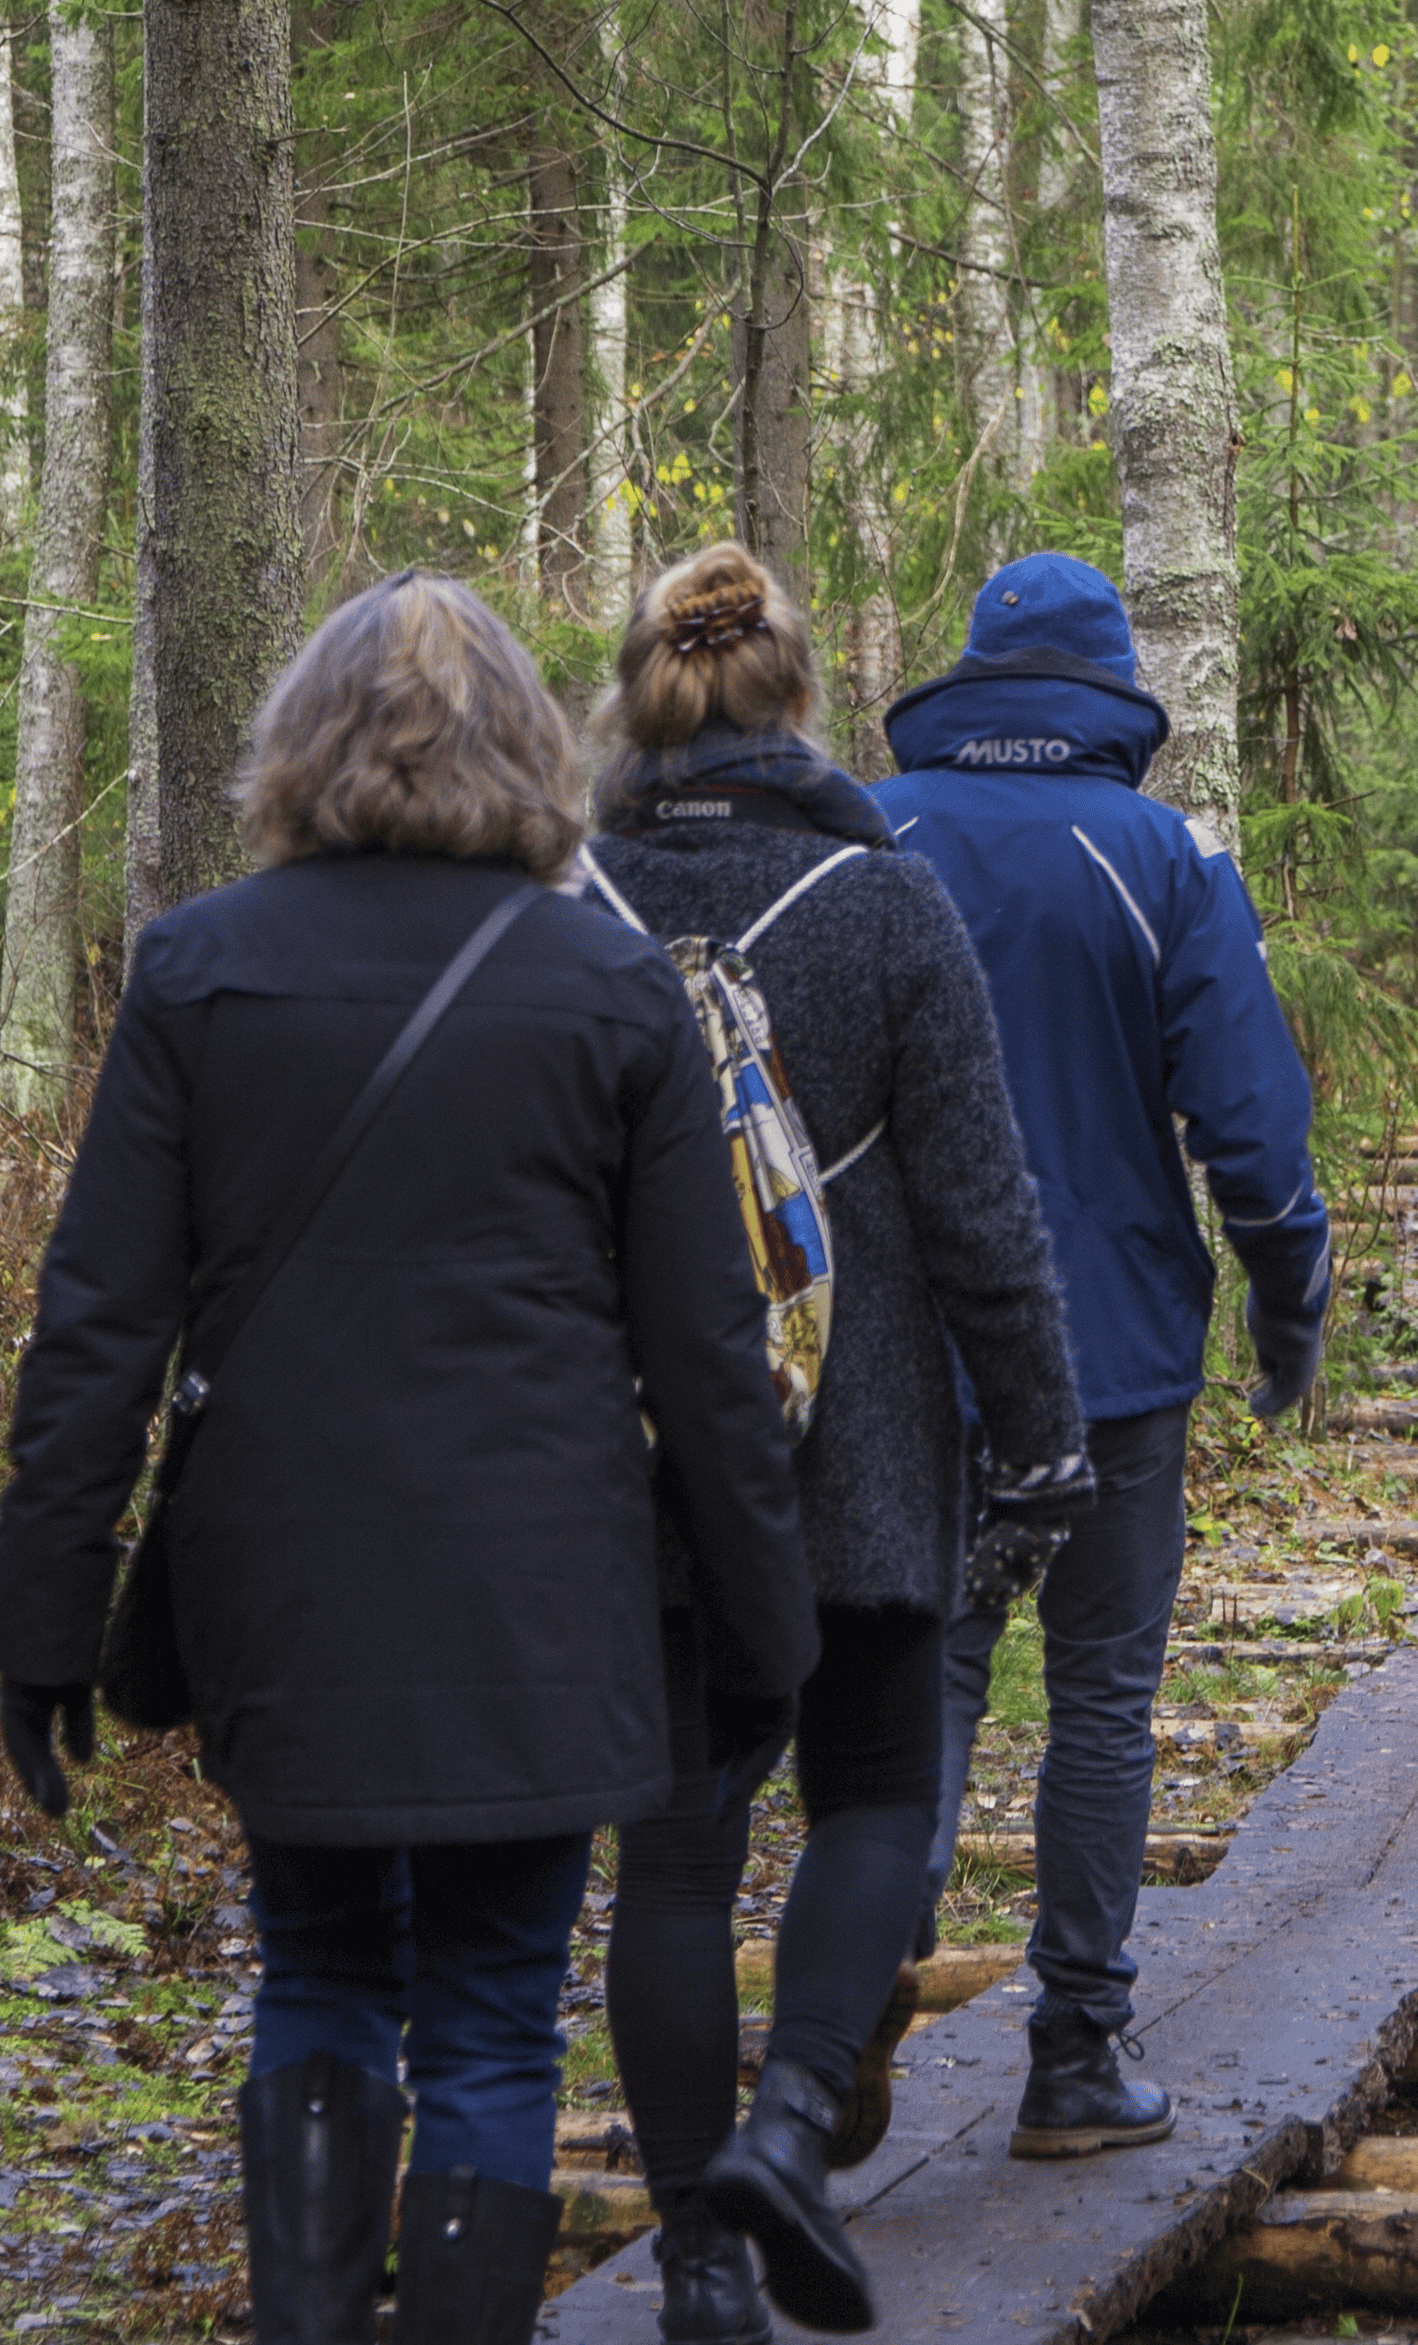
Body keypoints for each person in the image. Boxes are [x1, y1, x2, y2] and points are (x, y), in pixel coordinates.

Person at [0, 572, 815, 2345]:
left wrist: (39, 1623)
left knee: (324, 1969)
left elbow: (100, 1327)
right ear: (528, 748)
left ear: (300, 749)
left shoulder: (204, 966)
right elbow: (709, 1355)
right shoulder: (609, 983)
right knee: (498, 2012)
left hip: (287, 1588)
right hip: (539, 1593)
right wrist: (765, 1631)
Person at [582, 546, 1096, 2341]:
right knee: (875, 1798)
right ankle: (792, 2129)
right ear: (798, 690)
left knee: (670, 1860)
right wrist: (1039, 1444)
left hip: (643, 1458)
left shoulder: (571, 907)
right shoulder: (886, 904)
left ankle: (697, 2256)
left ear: (640, 698)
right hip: (860, 1452)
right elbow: (981, 1211)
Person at [873, 552, 1333, 2158]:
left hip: (907, 1360)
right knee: (1101, 1698)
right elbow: (1253, 1131)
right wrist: (1290, 1307)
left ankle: (858, 1978)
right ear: (1108, 693)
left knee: (920, 1670)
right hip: (1117, 1355)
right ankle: (1074, 2056)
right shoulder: (1160, 855)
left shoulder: (878, 834)